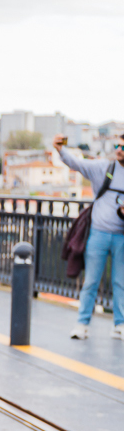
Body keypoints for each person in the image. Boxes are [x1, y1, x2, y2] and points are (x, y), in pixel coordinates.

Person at [54, 133, 124, 339]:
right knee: (91, 281)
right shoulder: (104, 167)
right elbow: (76, 163)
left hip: (121, 237)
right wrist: (60, 150)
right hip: (98, 234)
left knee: (120, 283)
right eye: (117, 146)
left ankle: (120, 325)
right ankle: (82, 324)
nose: (119, 150)